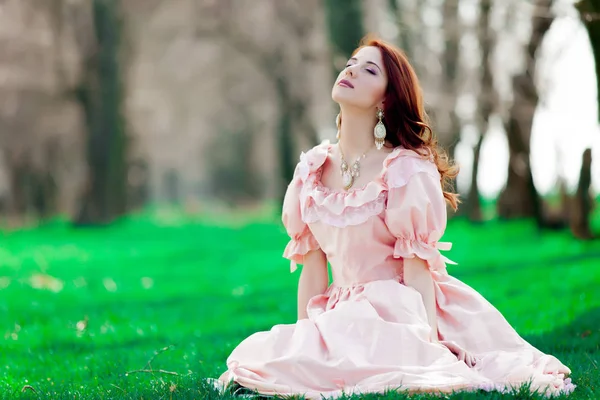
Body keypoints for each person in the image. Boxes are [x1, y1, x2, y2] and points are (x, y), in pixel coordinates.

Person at [215, 34, 575, 399]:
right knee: (269, 358)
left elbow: (417, 269)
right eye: (350, 64)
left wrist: (430, 343)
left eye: (369, 70)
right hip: (338, 312)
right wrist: (305, 345)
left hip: (401, 307)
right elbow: (312, 269)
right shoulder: (310, 170)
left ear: (387, 99)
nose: (352, 70)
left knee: (384, 359)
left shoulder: (404, 169)